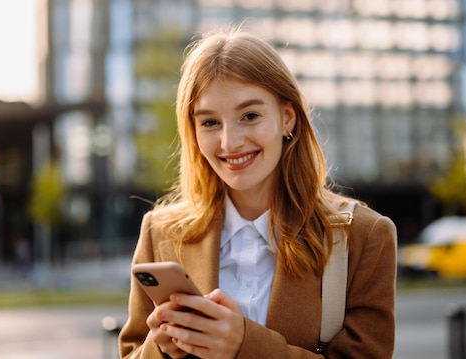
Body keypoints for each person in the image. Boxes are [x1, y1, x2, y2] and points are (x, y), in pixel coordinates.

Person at [119, 26, 397, 359]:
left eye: (249, 116)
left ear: (287, 119)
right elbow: (133, 352)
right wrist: (162, 350)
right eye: (209, 122)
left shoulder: (364, 237)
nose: (229, 142)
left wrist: (244, 344)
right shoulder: (159, 232)